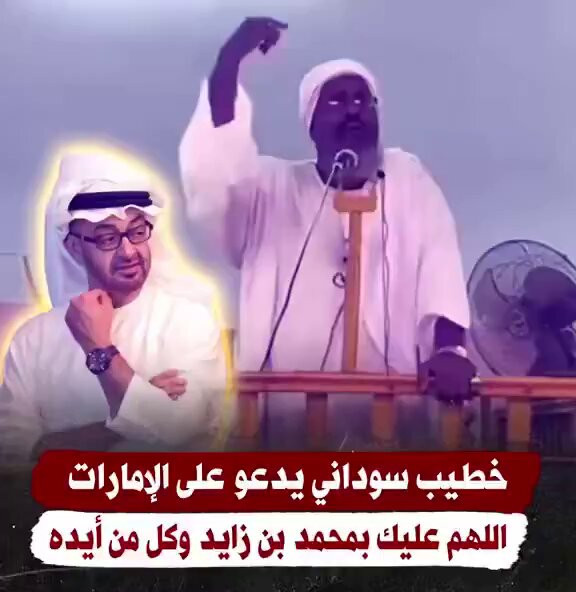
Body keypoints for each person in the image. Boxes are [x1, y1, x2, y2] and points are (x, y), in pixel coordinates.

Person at [179, 17, 476, 448]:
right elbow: (216, 163)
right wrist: (229, 60)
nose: (353, 108)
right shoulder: (271, 186)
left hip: (390, 404)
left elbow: (440, 265)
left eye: (362, 100)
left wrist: (450, 350)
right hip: (291, 407)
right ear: (311, 122)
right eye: (336, 100)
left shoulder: (406, 177)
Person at [0, 148, 232, 463]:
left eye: (137, 233)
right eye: (107, 238)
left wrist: (100, 349)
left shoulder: (189, 320)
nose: (129, 252)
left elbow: (180, 429)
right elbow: (13, 454)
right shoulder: (33, 338)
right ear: (74, 247)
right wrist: (134, 410)